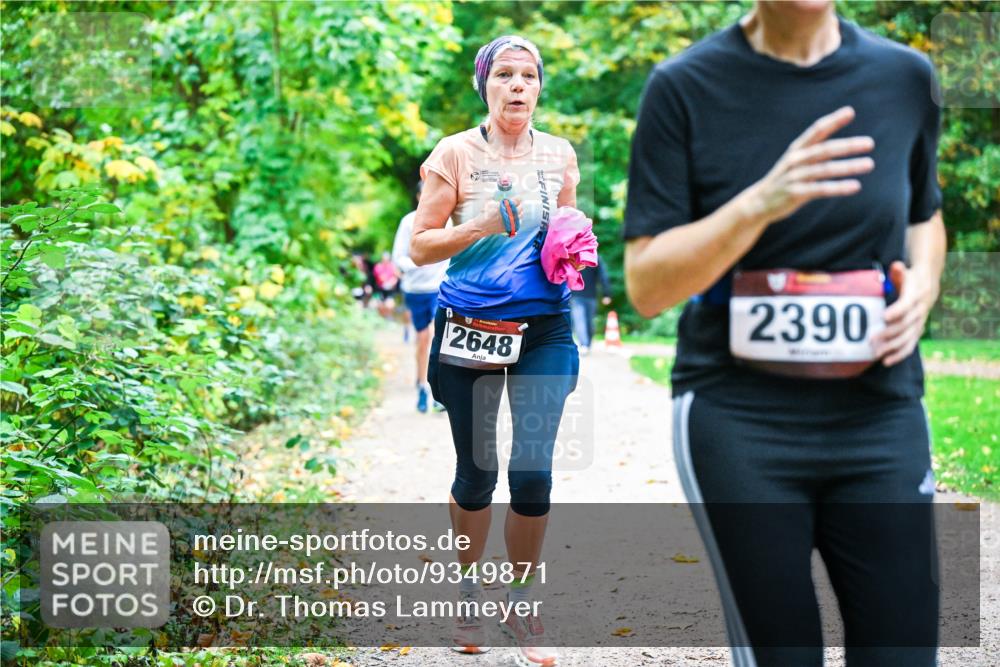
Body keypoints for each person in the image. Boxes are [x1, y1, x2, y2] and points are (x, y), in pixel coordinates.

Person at [623, 2, 945, 666]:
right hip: (740, 417)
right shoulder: (683, 86)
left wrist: (924, 282)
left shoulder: (906, 77)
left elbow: (925, 216)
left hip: (877, 410)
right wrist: (763, 201)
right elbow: (647, 285)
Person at [410, 34, 580, 664]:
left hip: (545, 328)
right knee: (477, 472)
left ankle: (521, 600)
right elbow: (421, 246)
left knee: (532, 471)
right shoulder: (453, 153)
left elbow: (565, 224)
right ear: (484, 84)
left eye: (528, 76)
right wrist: (479, 225)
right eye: (504, 74)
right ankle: (467, 588)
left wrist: (572, 243)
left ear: (539, 87)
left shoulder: (560, 156)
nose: (517, 85)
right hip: (469, 325)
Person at [392, 180, 449, 413]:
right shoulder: (408, 222)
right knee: (422, 339)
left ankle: (437, 391)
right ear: (418, 197)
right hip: (415, 290)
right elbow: (399, 258)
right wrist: (419, 262)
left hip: (439, 287)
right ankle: (421, 387)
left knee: (437, 336)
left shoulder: (447, 221)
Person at [568, 255, 611, 354]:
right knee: (581, 320)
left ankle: (587, 344)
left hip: (587, 295)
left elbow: (602, 275)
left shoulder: (575, 254)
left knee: (587, 321)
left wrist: (606, 293)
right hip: (580, 295)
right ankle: (584, 344)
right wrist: (606, 294)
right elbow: (603, 275)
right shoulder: (592, 256)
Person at [372, 251, 400, 318]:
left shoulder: (393, 266)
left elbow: (397, 276)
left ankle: (388, 317)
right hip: (380, 289)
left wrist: (393, 281)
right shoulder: (378, 267)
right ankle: (381, 318)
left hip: (390, 290)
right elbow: (379, 277)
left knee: (390, 305)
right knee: (379, 306)